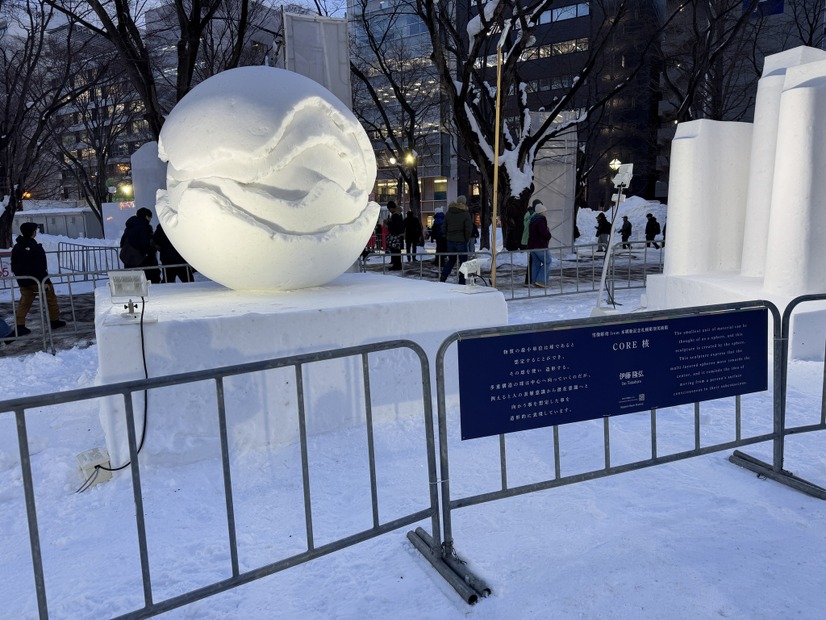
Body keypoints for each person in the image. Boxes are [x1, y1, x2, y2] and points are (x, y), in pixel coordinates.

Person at [10, 222, 65, 337]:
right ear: (32, 232)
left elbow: (14, 264)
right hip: (38, 280)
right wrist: (45, 281)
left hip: (24, 281)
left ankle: (20, 325)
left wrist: (20, 278)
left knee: (24, 303)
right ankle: (54, 320)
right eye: (35, 230)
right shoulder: (35, 247)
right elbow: (40, 266)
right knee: (50, 299)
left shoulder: (17, 247)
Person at [120, 207, 161, 283]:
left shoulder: (129, 227)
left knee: (135, 282)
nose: (150, 220)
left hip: (129, 259)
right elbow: (144, 245)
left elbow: (122, 242)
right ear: (146, 216)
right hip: (143, 260)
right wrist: (152, 249)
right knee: (151, 280)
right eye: (150, 217)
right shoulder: (143, 227)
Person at [439, 195, 473, 284]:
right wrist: (466, 239)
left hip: (450, 240)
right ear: (464, 202)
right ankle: (461, 281)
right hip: (461, 240)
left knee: (451, 260)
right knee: (463, 262)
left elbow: (444, 226)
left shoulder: (449, 213)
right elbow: (468, 229)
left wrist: (447, 236)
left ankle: (443, 277)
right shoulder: (465, 214)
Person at [528, 202, 552, 287]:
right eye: (545, 211)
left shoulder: (532, 220)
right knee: (548, 261)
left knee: (536, 264)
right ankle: (541, 280)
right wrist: (549, 235)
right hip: (540, 245)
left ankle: (534, 281)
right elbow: (544, 233)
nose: (546, 213)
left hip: (532, 246)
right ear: (541, 212)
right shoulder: (541, 221)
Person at [384, 201, 405, 270]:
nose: (389, 210)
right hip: (398, 235)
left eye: (389, 209)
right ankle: (397, 265)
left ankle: (396, 265)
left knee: (395, 250)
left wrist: (388, 223)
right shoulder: (398, 214)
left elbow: (395, 226)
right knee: (397, 251)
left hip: (395, 235)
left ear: (392, 208)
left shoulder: (395, 215)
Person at [522, 200, 538, 284]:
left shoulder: (529, 214)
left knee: (532, 261)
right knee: (532, 261)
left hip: (530, 240)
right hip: (531, 240)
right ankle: (529, 280)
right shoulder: (532, 215)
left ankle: (530, 279)